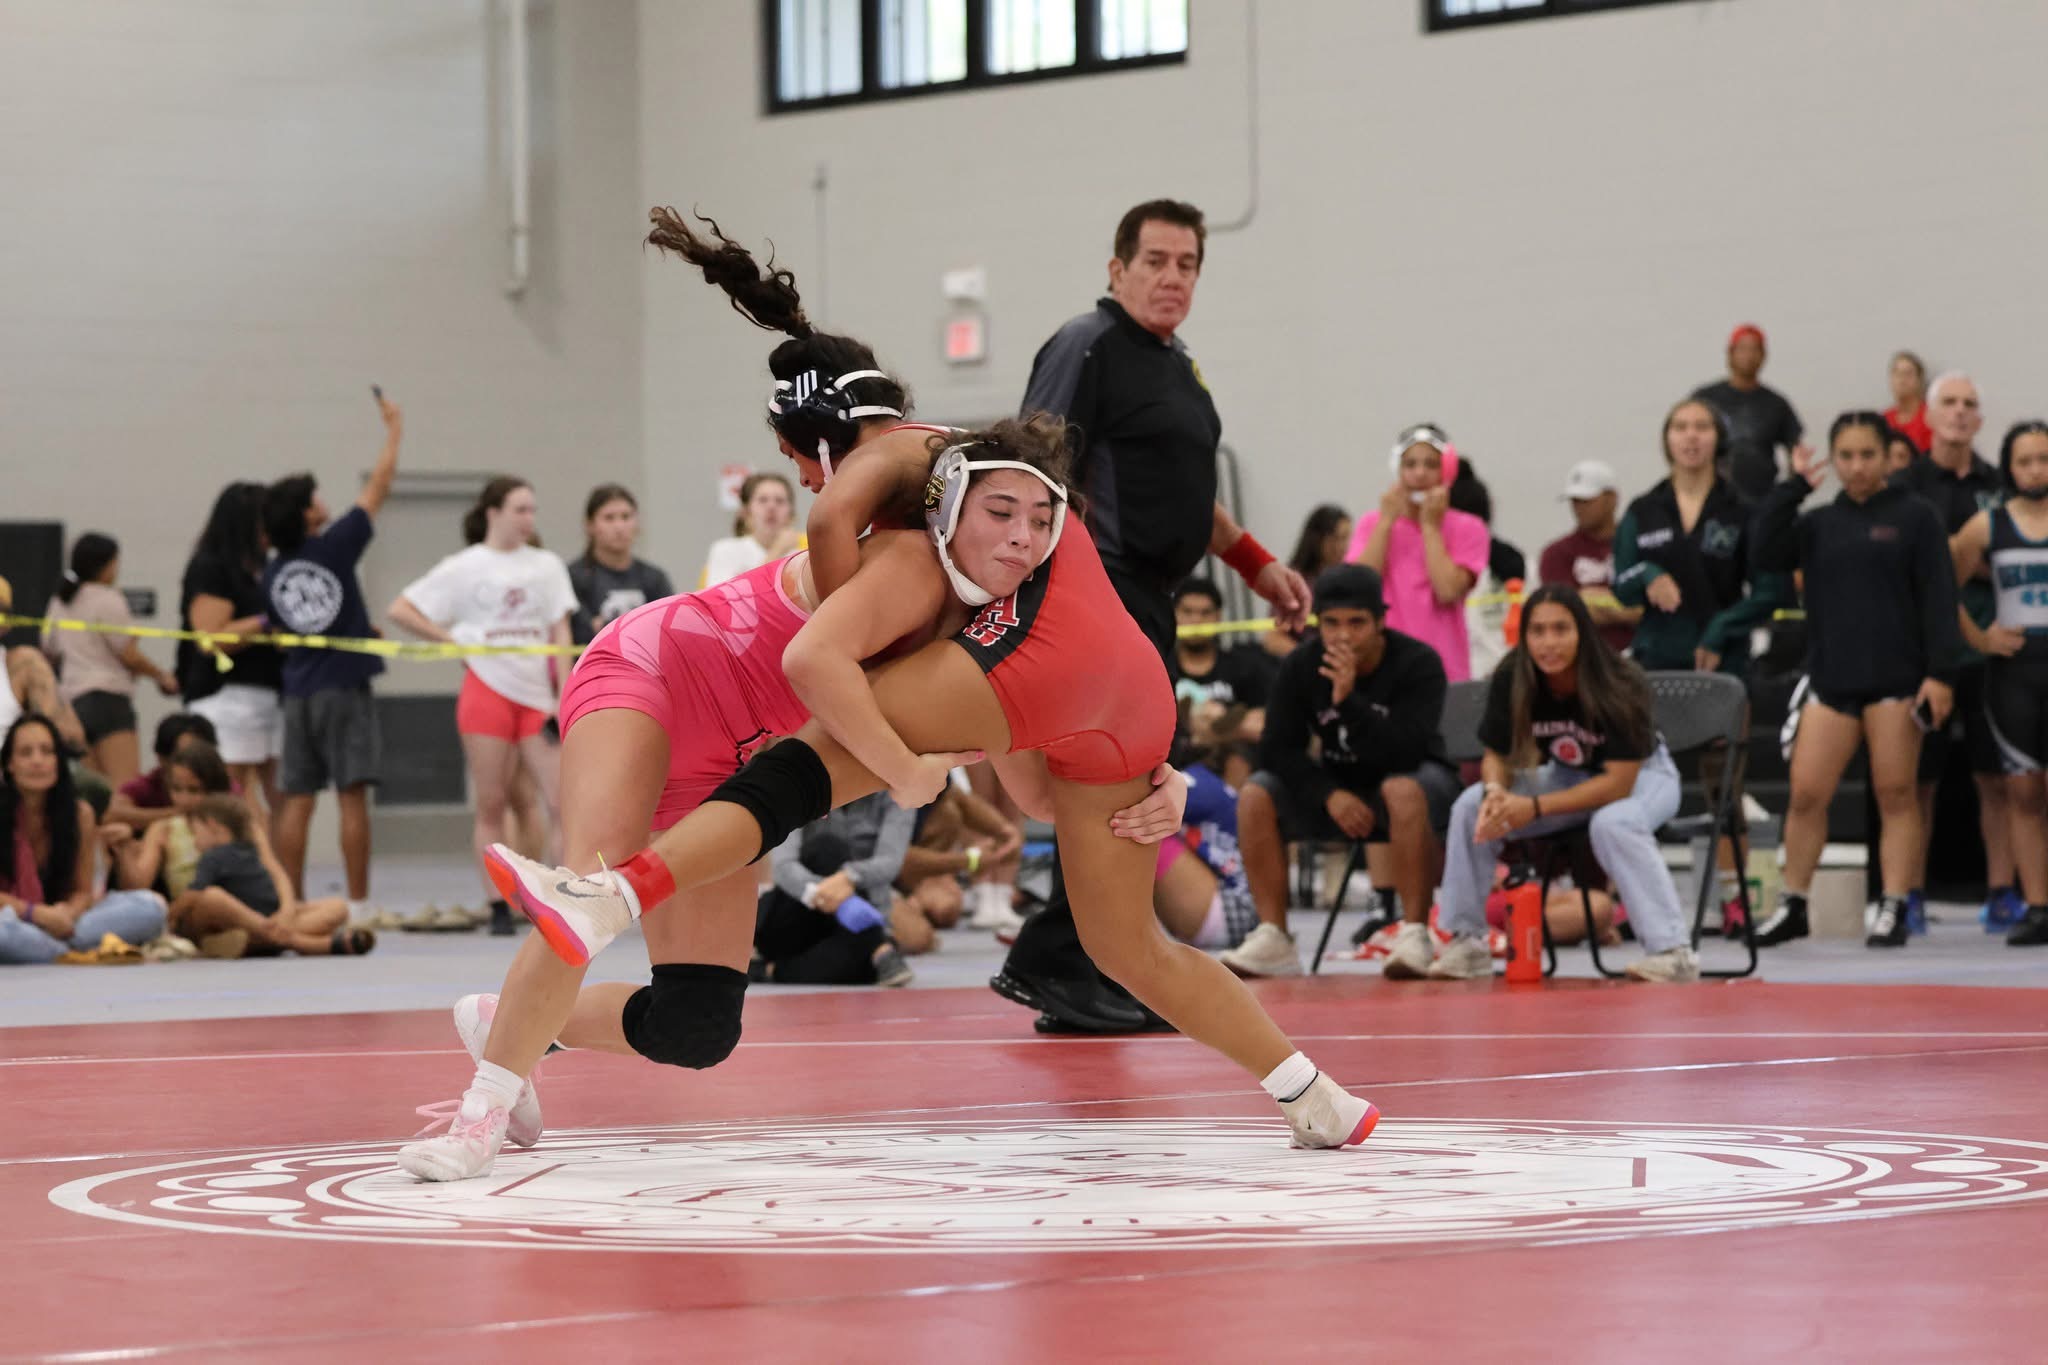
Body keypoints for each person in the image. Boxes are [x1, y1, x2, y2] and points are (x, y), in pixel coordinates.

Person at [449, 414, 1376, 1183]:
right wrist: (904, 766)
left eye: (1039, 520)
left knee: (698, 1026)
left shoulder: (988, 616)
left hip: (741, 751)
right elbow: (817, 640)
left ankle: (518, 1022)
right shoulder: (907, 560)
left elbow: (1033, 783)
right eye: (1000, 512)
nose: (1022, 535)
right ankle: (491, 1093)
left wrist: (1153, 776)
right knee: (602, 878)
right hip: (656, 680)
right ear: (946, 504)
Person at [984, 198, 1312, 1034]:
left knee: (1130, 776)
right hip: (1102, 589)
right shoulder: (1086, 345)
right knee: (1114, 776)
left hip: (1152, 596)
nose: (1172, 278)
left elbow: (1191, 498)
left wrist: (1259, 565)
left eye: (1188, 264)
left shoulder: (1179, 367)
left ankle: (1073, 960)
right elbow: (1033, 462)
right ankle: (1070, 959)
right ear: (1117, 268)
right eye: (1157, 261)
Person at [1750, 414, 1963, 950]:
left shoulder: (1917, 518)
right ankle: (1793, 903)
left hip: (1896, 680)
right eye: (1845, 455)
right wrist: (1793, 486)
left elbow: (1940, 598)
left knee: (1896, 793)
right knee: (1805, 793)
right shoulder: (1819, 523)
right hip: (1832, 679)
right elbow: (1763, 551)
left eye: (1867, 454)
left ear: (1888, 456)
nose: (1856, 466)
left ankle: (1893, 904)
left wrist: (1940, 672)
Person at [1433, 586, 1698, 983]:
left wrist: (1535, 808)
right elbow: (1497, 755)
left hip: (1644, 776)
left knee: (1615, 821)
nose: (1548, 643)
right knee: (1471, 806)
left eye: (1561, 629)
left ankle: (1672, 951)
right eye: (1537, 631)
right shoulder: (1514, 674)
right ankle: (1466, 943)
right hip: (1569, 775)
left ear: (1582, 633)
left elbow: (1618, 785)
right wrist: (1496, 794)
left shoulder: (1618, 679)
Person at [1222, 564, 1460, 979]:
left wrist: (1349, 701)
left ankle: (1415, 933)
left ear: (1381, 622)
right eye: (1331, 623)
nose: (1343, 635)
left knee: (1401, 789)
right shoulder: (1300, 666)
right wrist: (1327, 793)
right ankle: (1274, 935)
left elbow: (1407, 750)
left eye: (1357, 623)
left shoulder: (1417, 662)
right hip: (1339, 790)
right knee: (1256, 793)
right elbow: (1276, 749)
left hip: (1420, 784)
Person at [390, 476, 577, 935]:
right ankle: (497, 904)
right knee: (491, 802)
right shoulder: (464, 566)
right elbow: (402, 609)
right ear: (493, 512)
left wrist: (563, 696)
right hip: (486, 690)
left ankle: (567, 899)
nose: (528, 519)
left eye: (533, 510)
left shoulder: (547, 565)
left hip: (536, 697)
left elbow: (561, 634)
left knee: (561, 801)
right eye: (520, 509)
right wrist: (452, 640)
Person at [262, 393, 402, 911]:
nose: (324, 499)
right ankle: (360, 903)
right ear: (306, 512)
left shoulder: (274, 572)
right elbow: (379, 486)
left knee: (296, 800)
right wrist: (393, 431)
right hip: (343, 687)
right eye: (316, 496)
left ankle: (291, 901)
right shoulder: (335, 545)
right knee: (350, 795)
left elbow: (292, 624)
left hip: (297, 693)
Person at [1894, 372, 2018, 931]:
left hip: (1996, 649)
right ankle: (1910, 893)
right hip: (1926, 651)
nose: (1960, 412)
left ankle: (2002, 892)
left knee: (1998, 778)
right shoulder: (1907, 484)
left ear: (1981, 419)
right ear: (1931, 413)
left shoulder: (2002, 482)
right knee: (1919, 779)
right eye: (1950, 402)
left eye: (1971, 404)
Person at [1947, 419, 2048, 947]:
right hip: (2016, 671)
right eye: (2026, 460)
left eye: (2044, 459)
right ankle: (2037, 904)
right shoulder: (1988, 525)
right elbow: (1943, 584)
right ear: (2010, 467)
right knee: (2023, 790)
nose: (2036, 470)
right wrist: (1980, 639)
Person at [0, 714, 168, 964]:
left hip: (65, 922)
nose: (38, 761)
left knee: (151, 906)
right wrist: (37, 914)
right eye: (26, 753)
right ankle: (66, 951)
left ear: (59, 761)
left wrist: (67, 914)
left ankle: (52, 950)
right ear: (10, 764)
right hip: (15, 919)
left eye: (47, 751)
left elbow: (82, 892)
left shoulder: (80, 814)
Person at [1345, 423, 1489, 682]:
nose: (1420, 474)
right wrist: (1386, 523)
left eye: (1431, 465)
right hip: (1385, 668)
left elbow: (1447, 590)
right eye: (1410, 465)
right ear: (1397, 469)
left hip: (1446, 668)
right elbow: (1358, 588)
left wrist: (1430, 528)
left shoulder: (1469, 527)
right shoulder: (1372, 524)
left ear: (1447, 470)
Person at [178, 482, 285, 820]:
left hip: (271, 693)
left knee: (281, 795)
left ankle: (278, 873)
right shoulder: (211, 566)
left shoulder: (264, 567)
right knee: (230, 793)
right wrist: (267, 622)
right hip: (226, 696)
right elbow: (210, 639)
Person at [42, 533, 178, 783]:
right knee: (124, 788)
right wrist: (161, 676)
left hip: (74, 703)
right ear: (107, 564)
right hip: (109, 701)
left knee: (94, 791)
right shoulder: (108, 600)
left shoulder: (59, 601)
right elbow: (128, 654)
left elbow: (48, 651)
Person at [177, 793, 371, 957]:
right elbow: (196, 895)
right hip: (241, 919)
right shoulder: (211, 857)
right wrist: (170, 915)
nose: (194, 840)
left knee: (338, 907)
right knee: (212, 896)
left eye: (195, 833)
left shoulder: (250, 844)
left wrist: (286, 912)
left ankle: (255, 941)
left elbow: (277, 873)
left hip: (269, 916)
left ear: (214, 826)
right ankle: (300, 942)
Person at [755, 793, 916, 985]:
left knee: (864, 968)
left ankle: (769, 970)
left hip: (855, 920)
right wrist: (825, 895)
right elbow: (782, 867)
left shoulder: (899, 791)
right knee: (827, 848)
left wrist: (848, 877)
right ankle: (880, 947)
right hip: (798, 908)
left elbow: (891, 862)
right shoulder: (798, 784)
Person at [1539, 459, 1640, 654]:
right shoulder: (1556, 554)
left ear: (1612, 498)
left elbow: (1657, 611)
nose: (1578, 508)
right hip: (1584, 659)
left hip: (1639, 658)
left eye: (1587, 500)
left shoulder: (1640, 545)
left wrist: (1591, 599)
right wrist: (1627, 610)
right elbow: (1565, 614)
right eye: (1574, 501)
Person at [1694, 323, 1803, 499]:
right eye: (1742, 349)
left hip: (1762, 496)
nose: (1748, 356)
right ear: (1730, 353)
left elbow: (1795, 451)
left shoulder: (1776, 403)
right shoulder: (1705, 399)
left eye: (1755, 349)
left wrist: (1791, 492)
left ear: (1764, 356)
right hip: (1712, 496)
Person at [1170, 576, 1276, 744]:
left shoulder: (1241, 665)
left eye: (1205, 613)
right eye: (1187, 612)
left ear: (1218, 616)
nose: (1196, 621)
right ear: (1173, 614)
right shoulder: (1163, 668)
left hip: (1232, 750)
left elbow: (1268, 721)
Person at [568, 484, 676, 645]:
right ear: (590, 525)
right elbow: (582, 633)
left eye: (626, 517)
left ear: (637, 524)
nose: (619, 527)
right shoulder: (574, 577)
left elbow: (668, 632)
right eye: (609, 518)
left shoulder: (654, 578)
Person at [1264, 504, 1351, 656]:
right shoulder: (1294, 582)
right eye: (1338, 538)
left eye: (1347, 538)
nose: (1345, 546)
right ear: (1319, 539)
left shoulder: (1350, 577)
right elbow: (1273, 638)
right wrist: (1309, 660)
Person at [703, 472, 802, 587]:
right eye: (763, 500)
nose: (771, 507)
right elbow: (723, 599)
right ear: (746, 512)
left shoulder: (801, 559)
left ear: (791, 515)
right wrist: (777, 551)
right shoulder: (725, 550)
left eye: (779, 501)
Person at [1884, 350, 1932, 455]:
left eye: (1908, 374)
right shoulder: (1884, 420)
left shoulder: (1931, 418)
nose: (1902, 380)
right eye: (1897, 374)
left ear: (1919, 380)